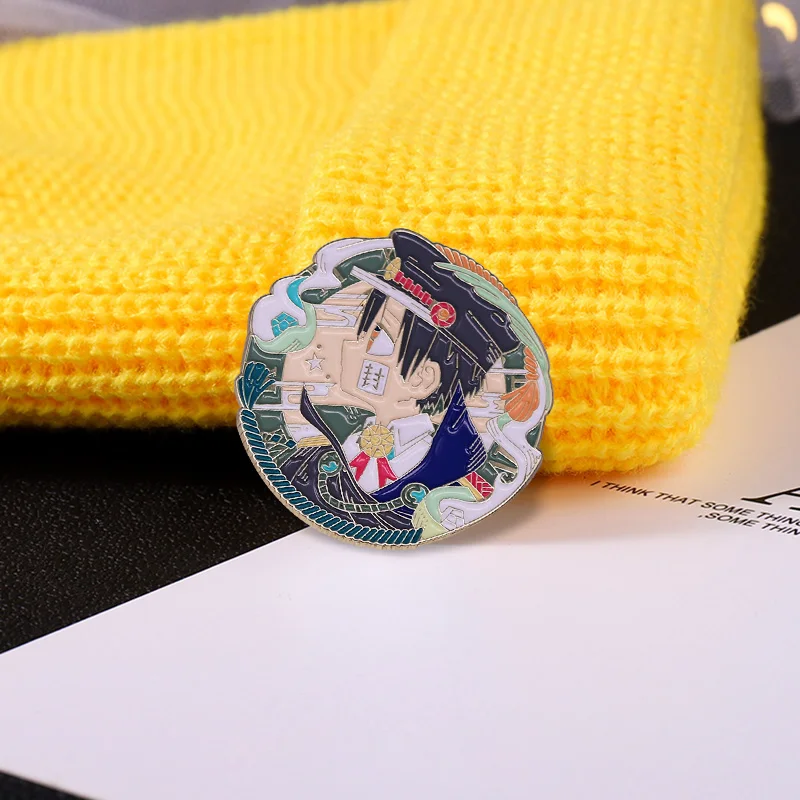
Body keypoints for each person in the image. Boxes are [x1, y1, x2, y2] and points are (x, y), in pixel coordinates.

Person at [238, 229, 551, 544]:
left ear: (422, 379)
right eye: (363, 331)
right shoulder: (330, 443)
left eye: (376, 335)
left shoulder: (454, 473)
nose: (352, 345)